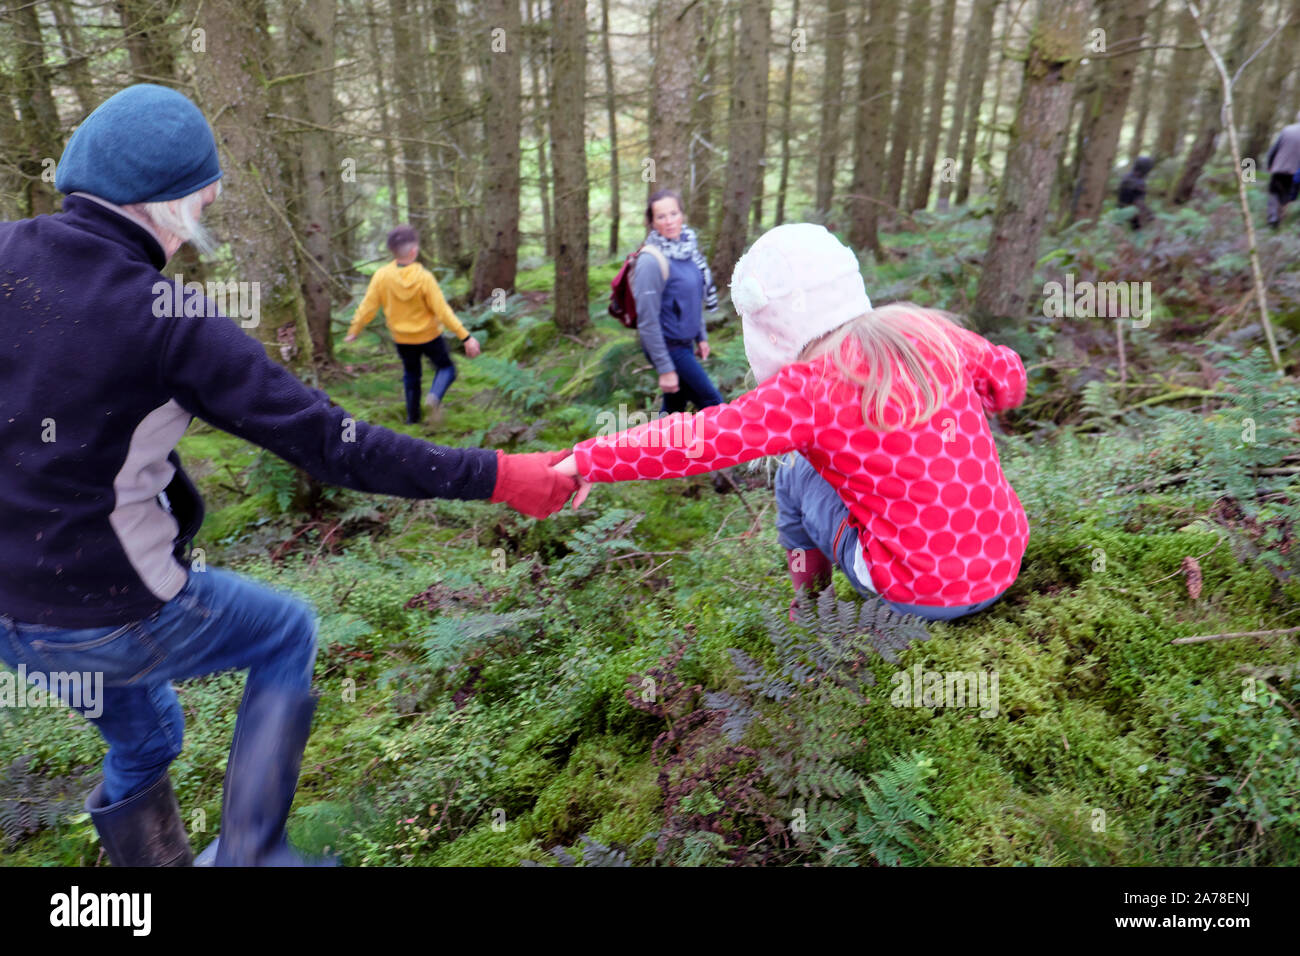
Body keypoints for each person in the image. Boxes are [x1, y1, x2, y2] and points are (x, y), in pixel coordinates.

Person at [0, 84, 576, 867]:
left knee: (149, 739)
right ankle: (250, 852)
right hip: (111, 610)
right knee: (285, 630)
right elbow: (332, 443)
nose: (199, 225)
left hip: (13, 619)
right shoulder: (170, 320)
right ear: (167, 204)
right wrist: (499, 473)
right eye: (202, 204)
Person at [557, 224, 1029, 623]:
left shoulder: (807, 389)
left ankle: (810, 606)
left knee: (794, 475)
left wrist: (590, 460)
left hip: (916, 592)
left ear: (769, 327)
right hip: (1004, 558)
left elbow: (698, 439)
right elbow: (1010, 381)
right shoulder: (929, 330)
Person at [344, 225, 480, 426]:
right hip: (430, 336)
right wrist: (466, 337)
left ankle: (412, 419)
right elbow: (442, 311)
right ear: (414, 251)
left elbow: (368, 307)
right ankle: (434, 396)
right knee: (446, 369)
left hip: (402, 339)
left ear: (392, 251)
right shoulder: (424, 278)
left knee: (411, 375)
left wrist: (354, 330)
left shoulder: (382, 276)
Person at [633, 189, 725, 415]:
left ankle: (656, 449)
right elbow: (647, 321)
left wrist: (701, 336)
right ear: (652, 222)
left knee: (674, 410)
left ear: (682, 214)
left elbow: (693, 297)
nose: (669, 221)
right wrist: (665, 369)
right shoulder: (650, 261)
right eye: (661, 217)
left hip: (685, 343)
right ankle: (740, 450)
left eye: (673, 214)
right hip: (667, 347)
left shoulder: (688, 250)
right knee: (715, 406)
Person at [1266, 111, 1300, 229]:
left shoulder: (1287, 130)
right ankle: (1281, 219)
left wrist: (1269, 163)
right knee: (1288, 196)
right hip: (1295, 172)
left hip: (1279, 168)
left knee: (1274, 192)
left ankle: (1273, 218)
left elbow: (1274, 149)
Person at [1117, 156, 1155, 231]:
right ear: (1146, 169)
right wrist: (1150, 215)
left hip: (1120, 212)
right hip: (1132, 215)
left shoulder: (1126, 177)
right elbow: (1138, 202)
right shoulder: (1139, 183)